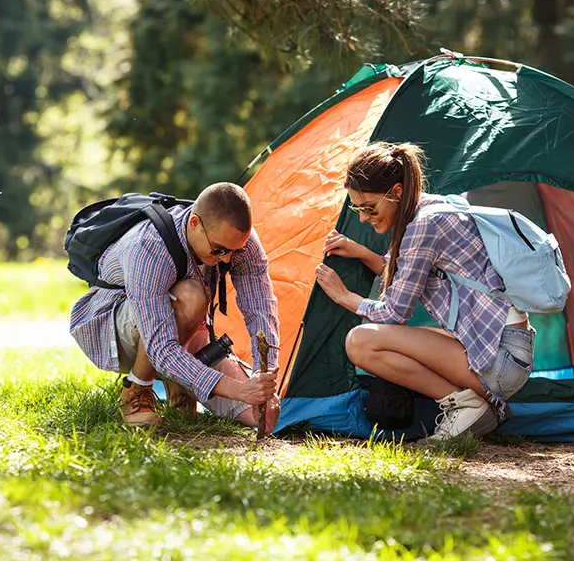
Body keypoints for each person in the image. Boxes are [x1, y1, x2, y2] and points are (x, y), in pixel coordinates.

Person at [314, 142, 536, 440]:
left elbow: (395, 313)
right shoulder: (433, 208)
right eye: (357, 208)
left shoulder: (423, 226)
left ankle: (466, 406)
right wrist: (364, 254)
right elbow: (409, 274)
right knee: (407, 337)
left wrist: (345, 297)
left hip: (501, 361)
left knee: (361, 342)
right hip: (508, 350)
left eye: (368, 207)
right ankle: (486, 403)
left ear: (395, 193)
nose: (363, 217)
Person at [70, 182, 280, 430]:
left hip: (184, 331)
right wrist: (238, 389)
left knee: (264, 417)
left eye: (235, 250)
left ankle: (180, 389)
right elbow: (161, 348)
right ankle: (136, 392)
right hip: (119, 327)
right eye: (219, 250)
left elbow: (261, 311)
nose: (227, 259)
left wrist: (261, 373)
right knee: (191, 296)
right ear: (195, 224)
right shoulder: (148, 247)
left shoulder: (237, 244)